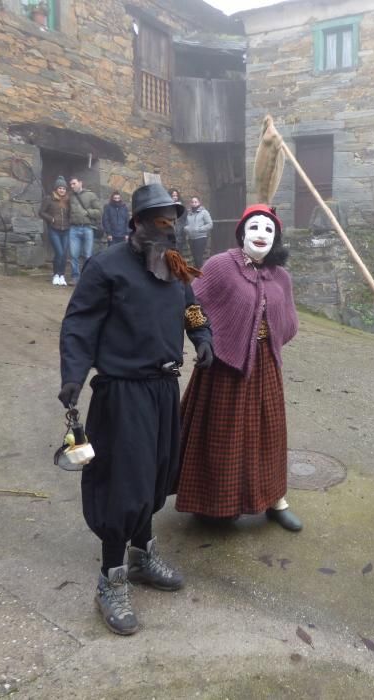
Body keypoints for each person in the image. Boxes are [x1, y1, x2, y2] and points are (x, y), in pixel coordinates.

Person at [58, 183, 214, 636]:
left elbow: (193, 309)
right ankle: (111, 579)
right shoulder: (107, 266)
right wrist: (72, 375)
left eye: (171, 220)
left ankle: (143, 554)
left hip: (164, 388)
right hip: (121, 393)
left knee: (156, 475)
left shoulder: (174, 267)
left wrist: (203, 338)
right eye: (157, 220)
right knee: (123, 486)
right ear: (137, 224)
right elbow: (80, 323)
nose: (166, 227)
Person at [176, 204, 302, 531]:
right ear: (242, 232)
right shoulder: (221, 266)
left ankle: (275, 501)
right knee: (222, 435)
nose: (261, 234)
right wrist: (204, 340)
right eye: (255, 227)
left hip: (265, 364)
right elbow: (191, 303)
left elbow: (289, 321)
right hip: (222, 364)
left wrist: (267, 335)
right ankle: (215, 504)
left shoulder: (281, 277)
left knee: (269, 435)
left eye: (268, 230)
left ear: (275, 239)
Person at [67, 176, 102, 284]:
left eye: (74, 183)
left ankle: (87, 278)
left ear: (80, 183)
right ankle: (75, 278)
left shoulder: (91, 195)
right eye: (71, 184)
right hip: (73, 229)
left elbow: (100, 211)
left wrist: (88, 212)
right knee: (74, 255)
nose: (72, 186)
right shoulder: (70, 196)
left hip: (87, 228)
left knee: (88, 255)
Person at [40, 176, 71, 287]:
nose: (62, 190)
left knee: (64, 254)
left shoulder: (68, 200)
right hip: (54, 230)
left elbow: (72, 213)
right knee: (59, 252)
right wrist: (51, 219)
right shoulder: (49, 198)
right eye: (60, 188)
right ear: (56, 189)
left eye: (64, 188)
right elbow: (41, 212)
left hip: (66, 229)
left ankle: (62, 275)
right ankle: (56, 275)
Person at [183, 195, 212, 268]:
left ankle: (201, 274)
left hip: (201, 238)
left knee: (198, 257)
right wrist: (187, 229)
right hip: (191, 238)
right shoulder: (189, 213)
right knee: (194, 257)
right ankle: (198, 273)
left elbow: (210, 224)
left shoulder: (204, 212)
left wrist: (199, 229)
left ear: (199, 203)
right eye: (192, 202)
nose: (194, 203)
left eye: (196, 202)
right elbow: (185, 224)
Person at [169, 188, 187, 255]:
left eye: (176, 195)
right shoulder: (167, 205)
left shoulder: (182, 205)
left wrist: (179, 207)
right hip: (171, 231)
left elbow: (184, 217)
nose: (175, 197)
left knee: (179, 251)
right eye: (173, 196)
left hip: (180, 231)